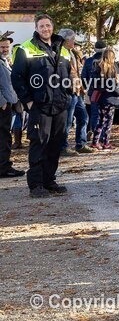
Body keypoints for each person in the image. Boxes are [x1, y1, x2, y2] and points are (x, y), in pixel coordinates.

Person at [11, 14, 73, 198]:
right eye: (41, 26)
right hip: (39, 105)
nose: (45, 29)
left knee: (55, 144)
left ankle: (49, 180)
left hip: (60, 106)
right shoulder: (26, 49)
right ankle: (36, 184)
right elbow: (17, 77)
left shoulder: (63, 49)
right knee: (39, 143)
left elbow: (67, 75)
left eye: (48, 25)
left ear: (52, 26)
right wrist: (28, 101)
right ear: (36, 28)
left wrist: (67, 95)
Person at [58, 29, 92, 156]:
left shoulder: (73, 53)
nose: (74, 42)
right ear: (66, 40)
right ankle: (63, 147)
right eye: (72, 39)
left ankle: (81, 144)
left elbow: (77, 72)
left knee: (83, 117)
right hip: (68, 91)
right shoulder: (60, 53)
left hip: (77, 91)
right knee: (67, 120)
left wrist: (82, 87)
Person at [0, 32, 25, 178]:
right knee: (3, 137)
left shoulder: (5, 60)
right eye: (2, 47)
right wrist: (2, 102)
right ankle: (4, 168)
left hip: (9, 103)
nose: (5, 49)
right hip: (2, 105)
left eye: (6, 47)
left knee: (4, 136)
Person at [89, 47, 119, 150]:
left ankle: (95, 141)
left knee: (101, 120)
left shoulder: (97, 67)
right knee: (108, 122)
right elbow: (112, 85)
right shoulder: (111, 68)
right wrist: (118, 92)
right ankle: (106, 142)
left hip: (100, 98)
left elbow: (94, 83)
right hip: (110, 98)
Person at [81, 40, 106, 142]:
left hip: (93, 91)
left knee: (94, 113)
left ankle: (95, 133)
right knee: (104, 114)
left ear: (95, 49)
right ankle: (103, 135)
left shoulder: (88, 61)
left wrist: (88, 87)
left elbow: (83, 76)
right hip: (106, 91)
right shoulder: (108, 60)